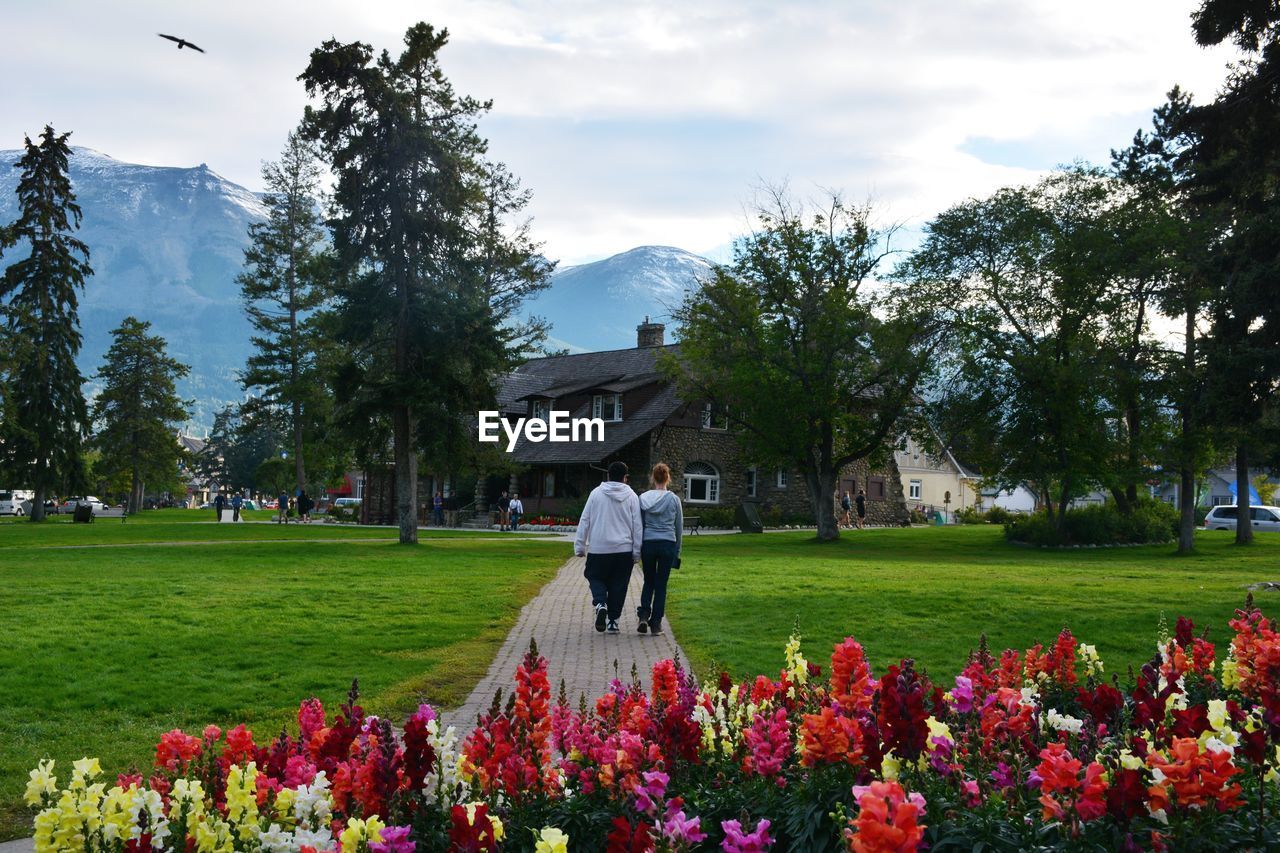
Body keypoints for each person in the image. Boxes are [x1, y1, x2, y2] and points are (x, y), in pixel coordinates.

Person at [573, 461, 642, 635]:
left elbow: (585, 520)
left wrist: (580, 546)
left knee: (594, 576)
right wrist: (636, 552)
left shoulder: (596, 494)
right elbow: (637, 526)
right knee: (619, 585)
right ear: (625, 477)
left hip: (599, 548)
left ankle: (600, 602)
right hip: (623, 549)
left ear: (608, 475)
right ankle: (613, 621)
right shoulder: (632, 496)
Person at [637, 462, 682, 636]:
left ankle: (643, 615)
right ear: (667, 478)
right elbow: (679, 526)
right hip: (667, 543)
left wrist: (639, 546)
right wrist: (677, 550)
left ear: (652, 478)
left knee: (648, 581)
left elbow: (639, 524)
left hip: (648, 542)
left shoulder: (643, 498)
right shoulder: (673, 499)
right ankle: (656, 624)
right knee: (661, 585)